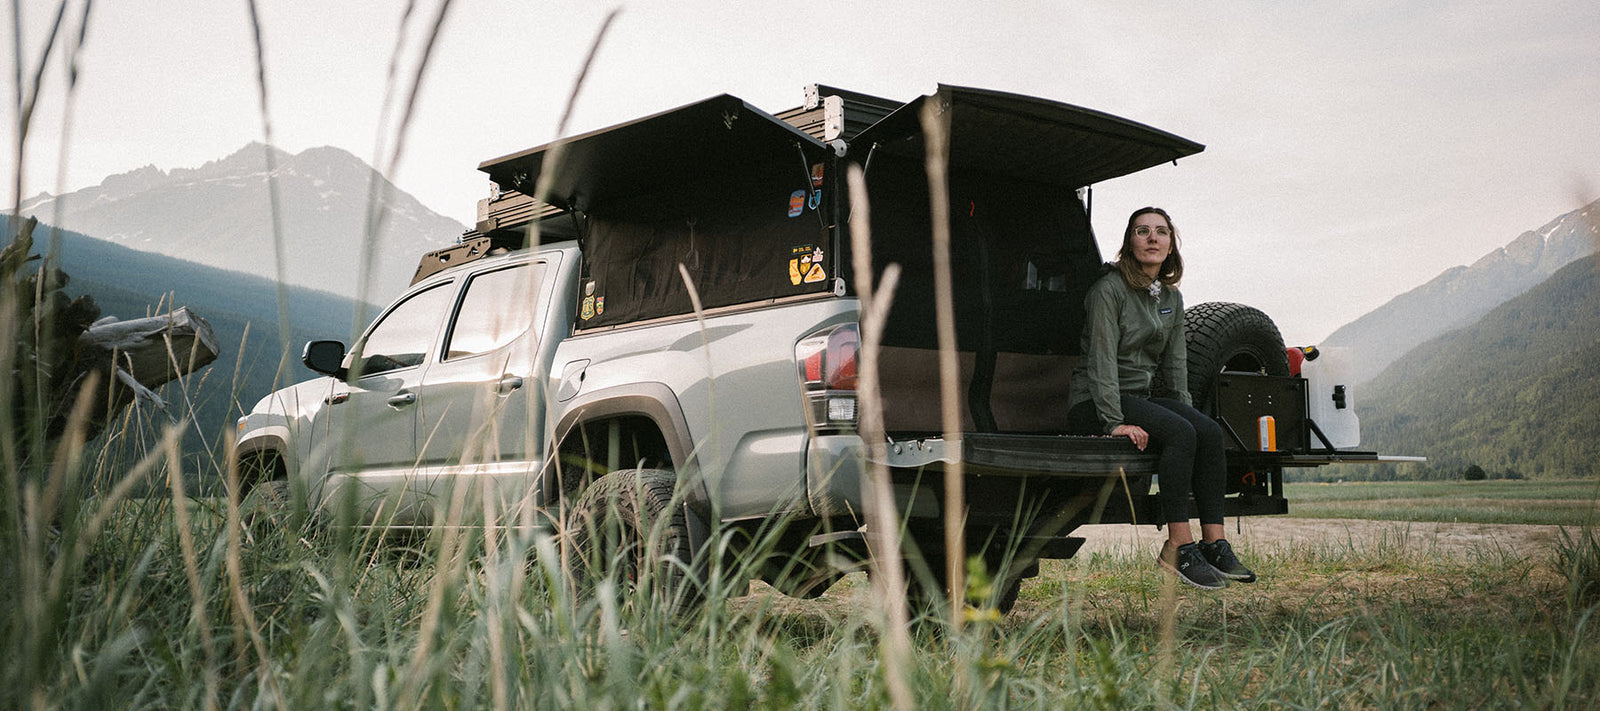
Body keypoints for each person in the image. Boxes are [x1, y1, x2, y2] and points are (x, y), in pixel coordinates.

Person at [1066, 207, 1256, 590]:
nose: (1152, 238)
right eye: (1142, 231)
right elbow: (1101, 361)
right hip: (1094, 401)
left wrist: (1188, 412)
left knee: (1206, 431)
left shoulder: (1170, 297)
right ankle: (1177, 546)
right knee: (1180, 433)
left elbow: (1176, 366)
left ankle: (1214, 542)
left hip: (1136, 398)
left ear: (1171, 245)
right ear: (1129, 242)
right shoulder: (1108, 290)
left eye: (1161, 231)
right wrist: (1113, 422)